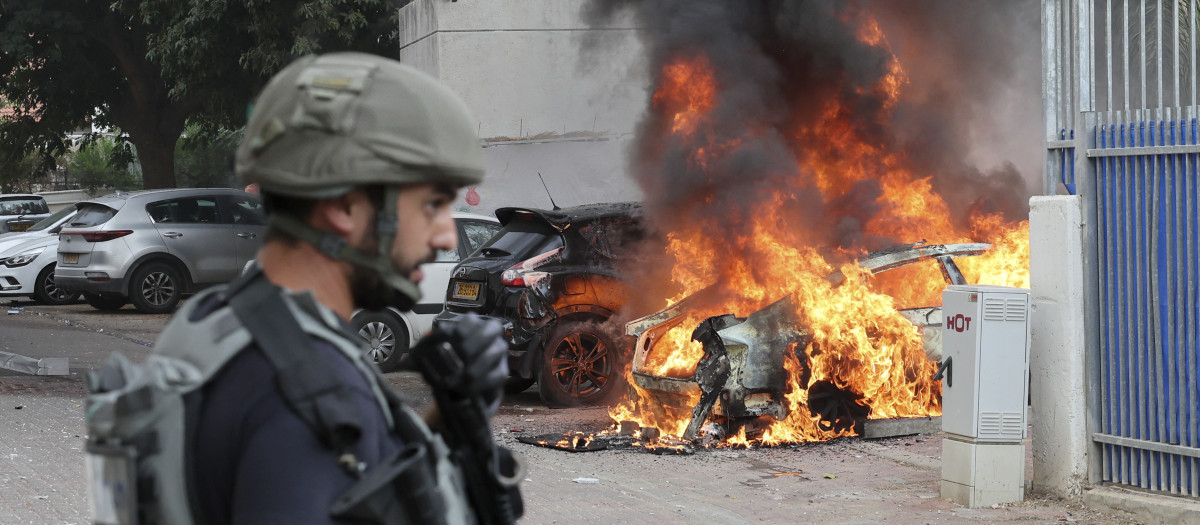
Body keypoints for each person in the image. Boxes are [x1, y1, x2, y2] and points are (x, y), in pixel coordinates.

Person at [153, 52, 520, 524]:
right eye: (431, 204)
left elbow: (365, 492)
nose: (448, 236)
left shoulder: (223, 321)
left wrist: (450, 415)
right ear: (346, 207)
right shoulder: (306, 390)